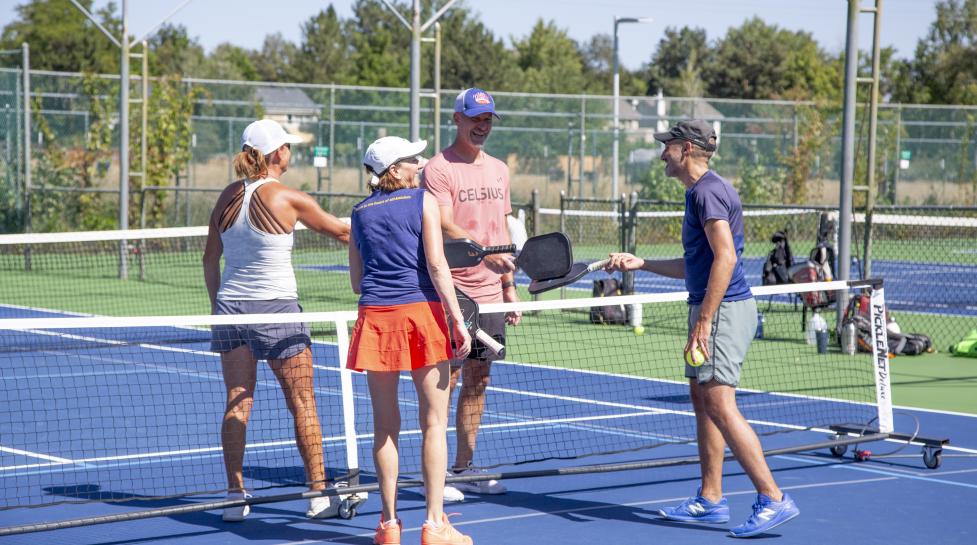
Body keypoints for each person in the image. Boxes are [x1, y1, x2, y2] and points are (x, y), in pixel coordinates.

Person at [604, 120, 800, 538]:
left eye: (667, 147)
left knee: (720, 403)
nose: (662, 155)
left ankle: (773, 497)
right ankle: (710, 499)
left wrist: (706, 322)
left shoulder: (707, 192)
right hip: (713, 306)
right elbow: (697, 265)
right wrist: (642, 263)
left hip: (724, 311)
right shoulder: (702, 192)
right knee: (703, 400)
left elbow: (725, 259)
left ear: (687, 148)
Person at [202, 119, 351, 522]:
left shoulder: (227, 196)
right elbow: (341, 233)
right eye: (287, 146)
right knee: (304, 403)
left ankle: (236, 496)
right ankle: (318, 494)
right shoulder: (287, 197)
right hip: (277, 312)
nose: (291, 152)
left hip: (232, 310)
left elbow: (209, 258)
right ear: (276, 154)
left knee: (237, 403)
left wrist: (218, 308)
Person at [347, 136, 474, 545]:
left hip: (375, 317)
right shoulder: (423, 201)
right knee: (433, 423)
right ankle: (435, 525)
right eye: (412, 160)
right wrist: (458, 321)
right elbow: (437, 266)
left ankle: (387, 526)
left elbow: (355, 281)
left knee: (384, 427)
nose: (419, 164)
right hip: (420, 315)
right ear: (394, 169)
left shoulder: (358, 213)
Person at [421, 87, 519, 501]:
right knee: (448, 377)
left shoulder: (499, 169)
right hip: (452, 291)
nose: (482, 126)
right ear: (457, 119)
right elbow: (443, 224)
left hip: (492, 291)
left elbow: (503, 226)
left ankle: (464, 467)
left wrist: (509, 286)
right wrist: (484, 254)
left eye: (488, 119)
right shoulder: (438, 168)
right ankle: (438, 473)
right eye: (475, 118)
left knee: (479, 379)